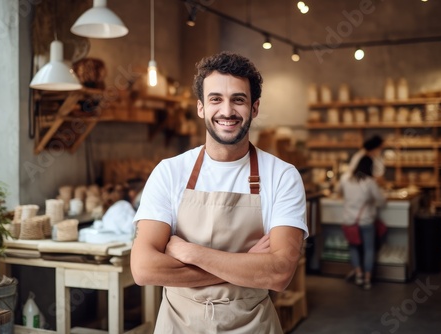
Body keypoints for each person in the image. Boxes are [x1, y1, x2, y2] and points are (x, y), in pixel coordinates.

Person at [130, 51, 308, 333]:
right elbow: (143, 269)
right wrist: (247, 265)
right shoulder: (169, 172)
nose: (227, 111)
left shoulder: (282, 176)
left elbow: (279, 274)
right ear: (201, 107)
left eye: (238, 99)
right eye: (216, 99)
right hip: (178, 326)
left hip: (251, 326)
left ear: (255, 107)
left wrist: (189, 252)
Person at [338, 155, 386, 290]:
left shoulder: (345, 179)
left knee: (353, 248)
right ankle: (367, 278)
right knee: (369, 249)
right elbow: (381, 200)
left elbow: (338, 192)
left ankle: (358, 275)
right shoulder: (369, 182)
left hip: (349, 220)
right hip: (365, 220)